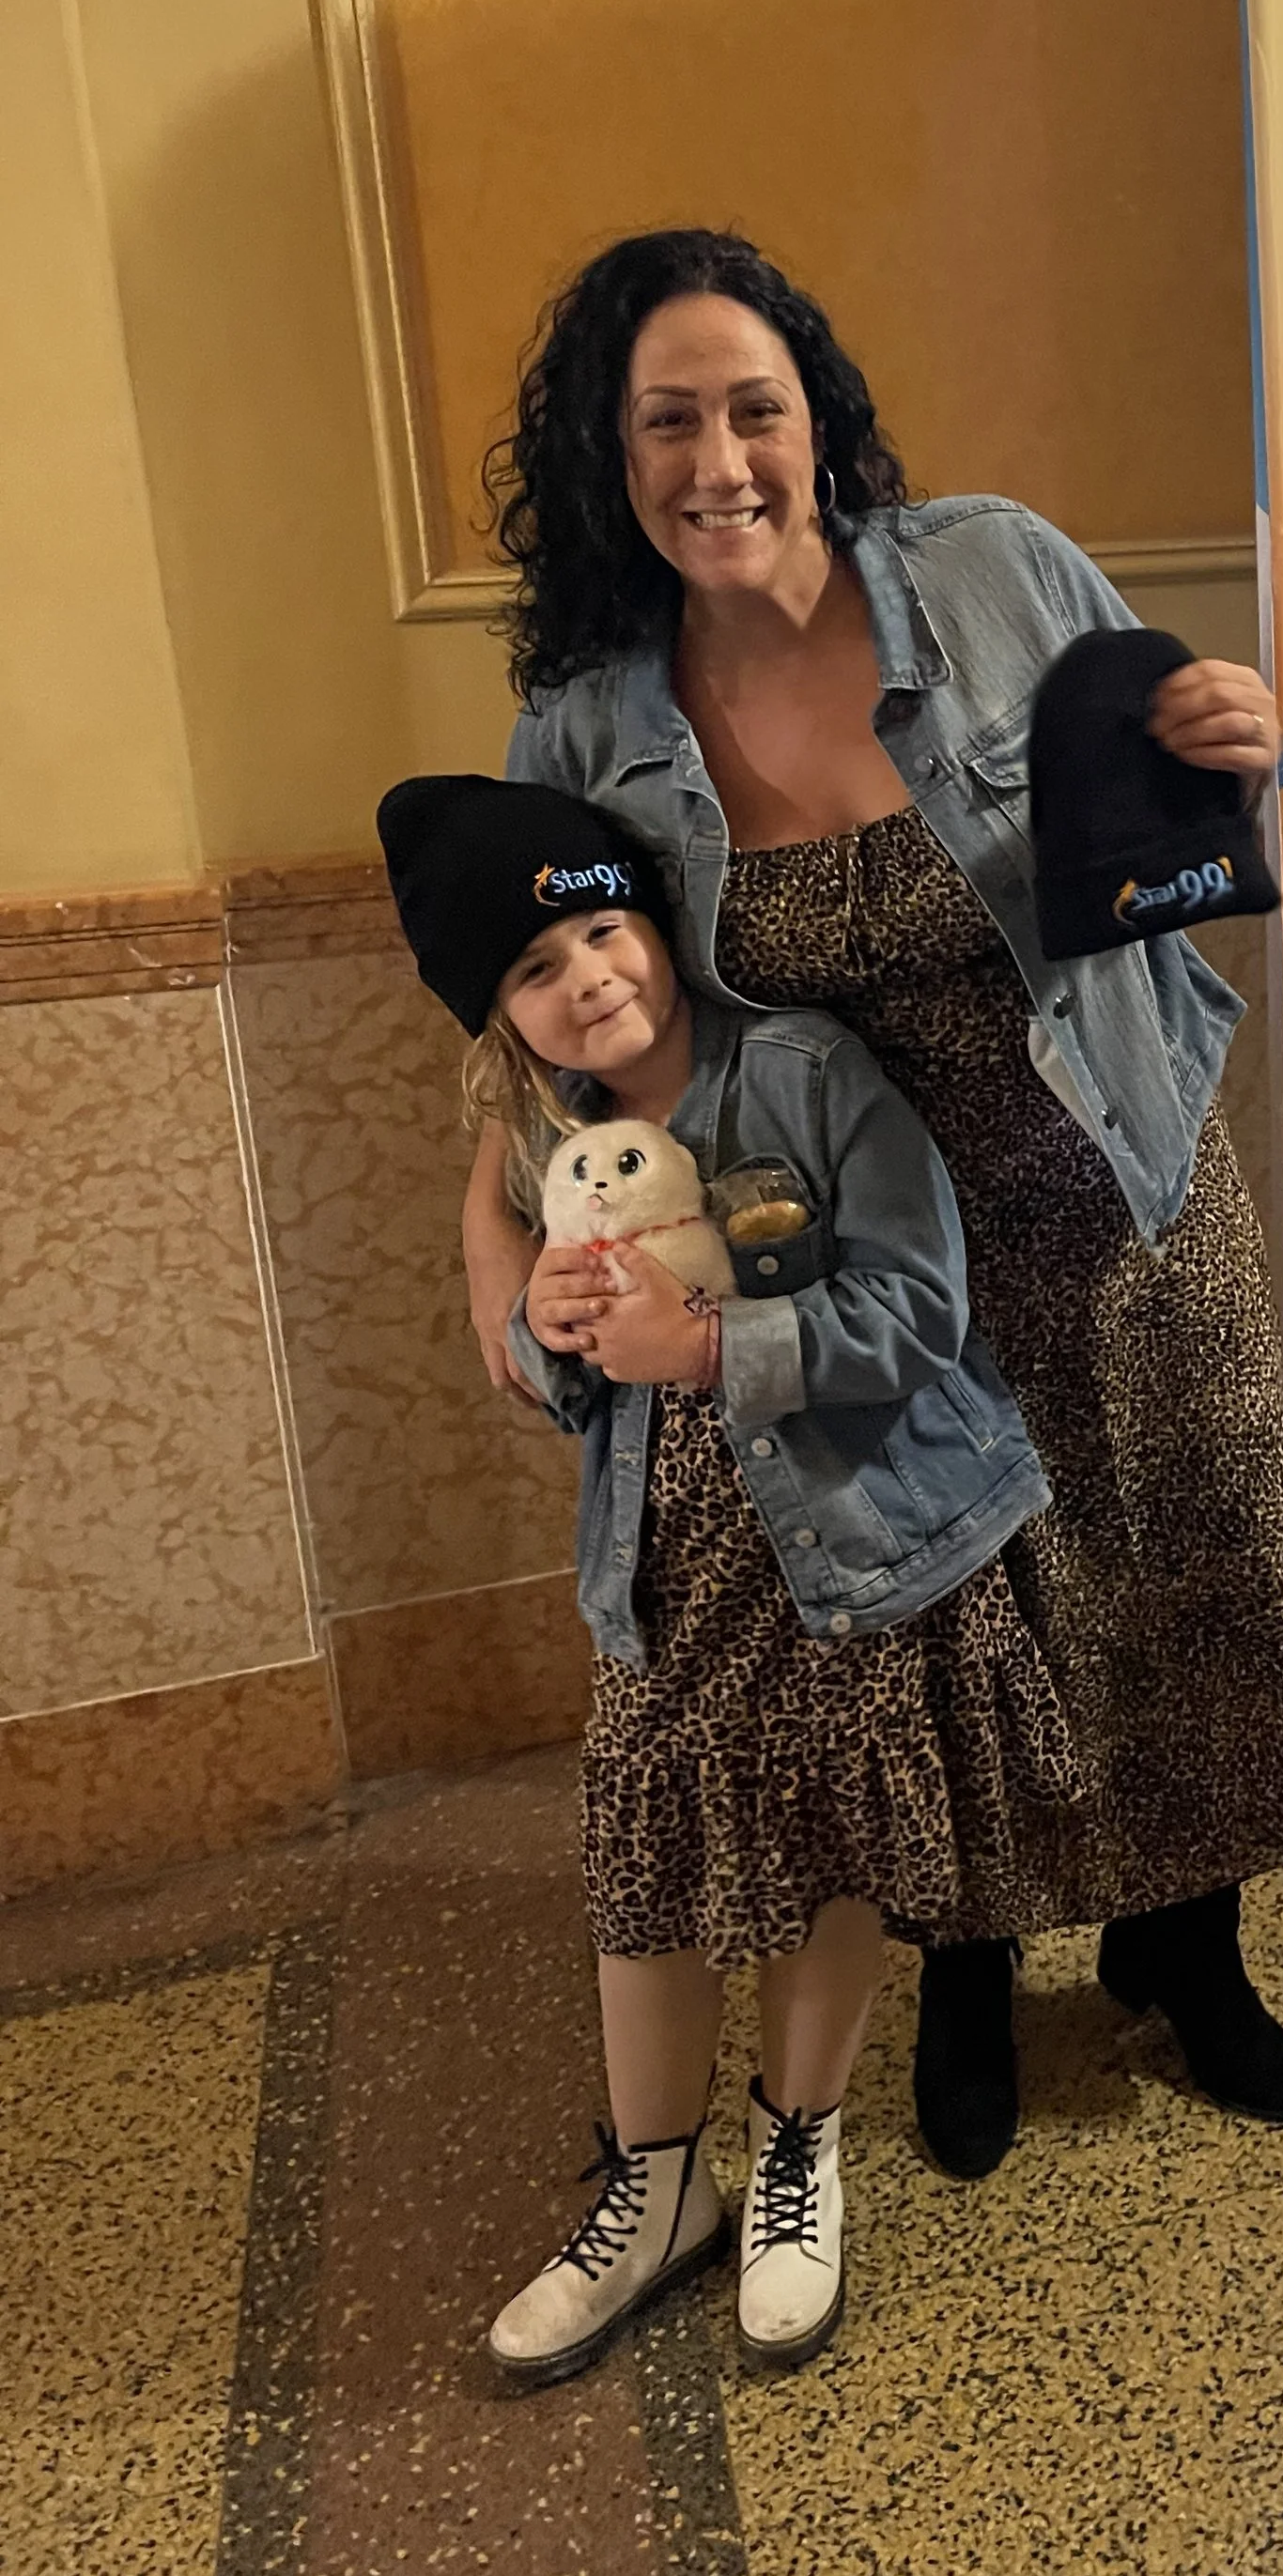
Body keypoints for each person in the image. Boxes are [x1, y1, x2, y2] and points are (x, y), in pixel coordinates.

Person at [462, 225, 1283, 2179]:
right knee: (950, 1621)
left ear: (815, 417)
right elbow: (549, 1011)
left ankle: (1190, 1949)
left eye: (751, 408)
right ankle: (970, 1978)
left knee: (1182, 1567)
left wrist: (1237, 743)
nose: (718, 462)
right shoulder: (587, 722)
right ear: (609, 456)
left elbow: (1172, 816)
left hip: (1121, 1195)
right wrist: (494, 1228)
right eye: (664, 422)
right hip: (856, 1261)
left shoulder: (997, 569)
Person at [380, 771, 1069, 2381]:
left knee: (827, 1850)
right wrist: (548, 1332)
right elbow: (559, 1385)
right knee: (647, 1871)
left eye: (600, 931)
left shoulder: (806, 1072)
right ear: (500, 1017)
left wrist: (710, 1342)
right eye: (534, 970)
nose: (587, 979)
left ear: (652, 920)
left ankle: (797, 2144)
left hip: (845, 1551)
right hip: (664, 1582)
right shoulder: (553, 1148)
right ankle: (657, 2182)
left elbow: (921, 1308)